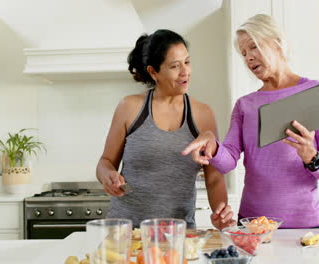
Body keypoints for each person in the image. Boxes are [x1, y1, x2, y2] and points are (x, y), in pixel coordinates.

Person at [182, 14, 319, 228]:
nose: (248, 58)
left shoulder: (316, 95)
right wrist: (211, 143)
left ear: (277, 43)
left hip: (303, 227)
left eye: (254, 47)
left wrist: (311, 157)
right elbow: (228, 160)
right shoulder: (245, 105)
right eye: (244, 53)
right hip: (252, 226)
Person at [96, 29, 236, 229]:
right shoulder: (129, 107)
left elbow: (213, 177)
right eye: (174, 66)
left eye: (187, 62)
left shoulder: (203, 114)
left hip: (178, 235)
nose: (185, 71)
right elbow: (106, 162)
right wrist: (107, 175)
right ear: (153, 72)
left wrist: (220, 212)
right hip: (126, 231)